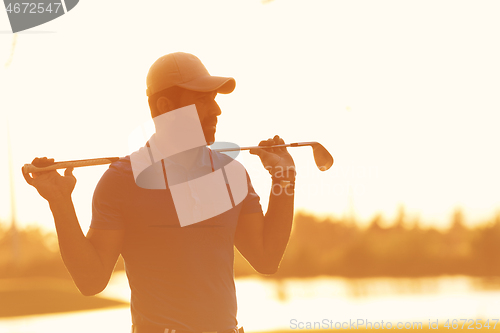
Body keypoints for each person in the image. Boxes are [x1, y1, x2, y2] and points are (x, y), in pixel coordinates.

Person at [23, 52, 296, 333]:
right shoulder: (121, 181)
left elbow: (267, 258)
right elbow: (91, 281)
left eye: (214, 99)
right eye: (202, 100)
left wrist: (284, 177)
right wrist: (59, 202)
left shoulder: (232, 174)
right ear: (166, 107)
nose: (216, 110)